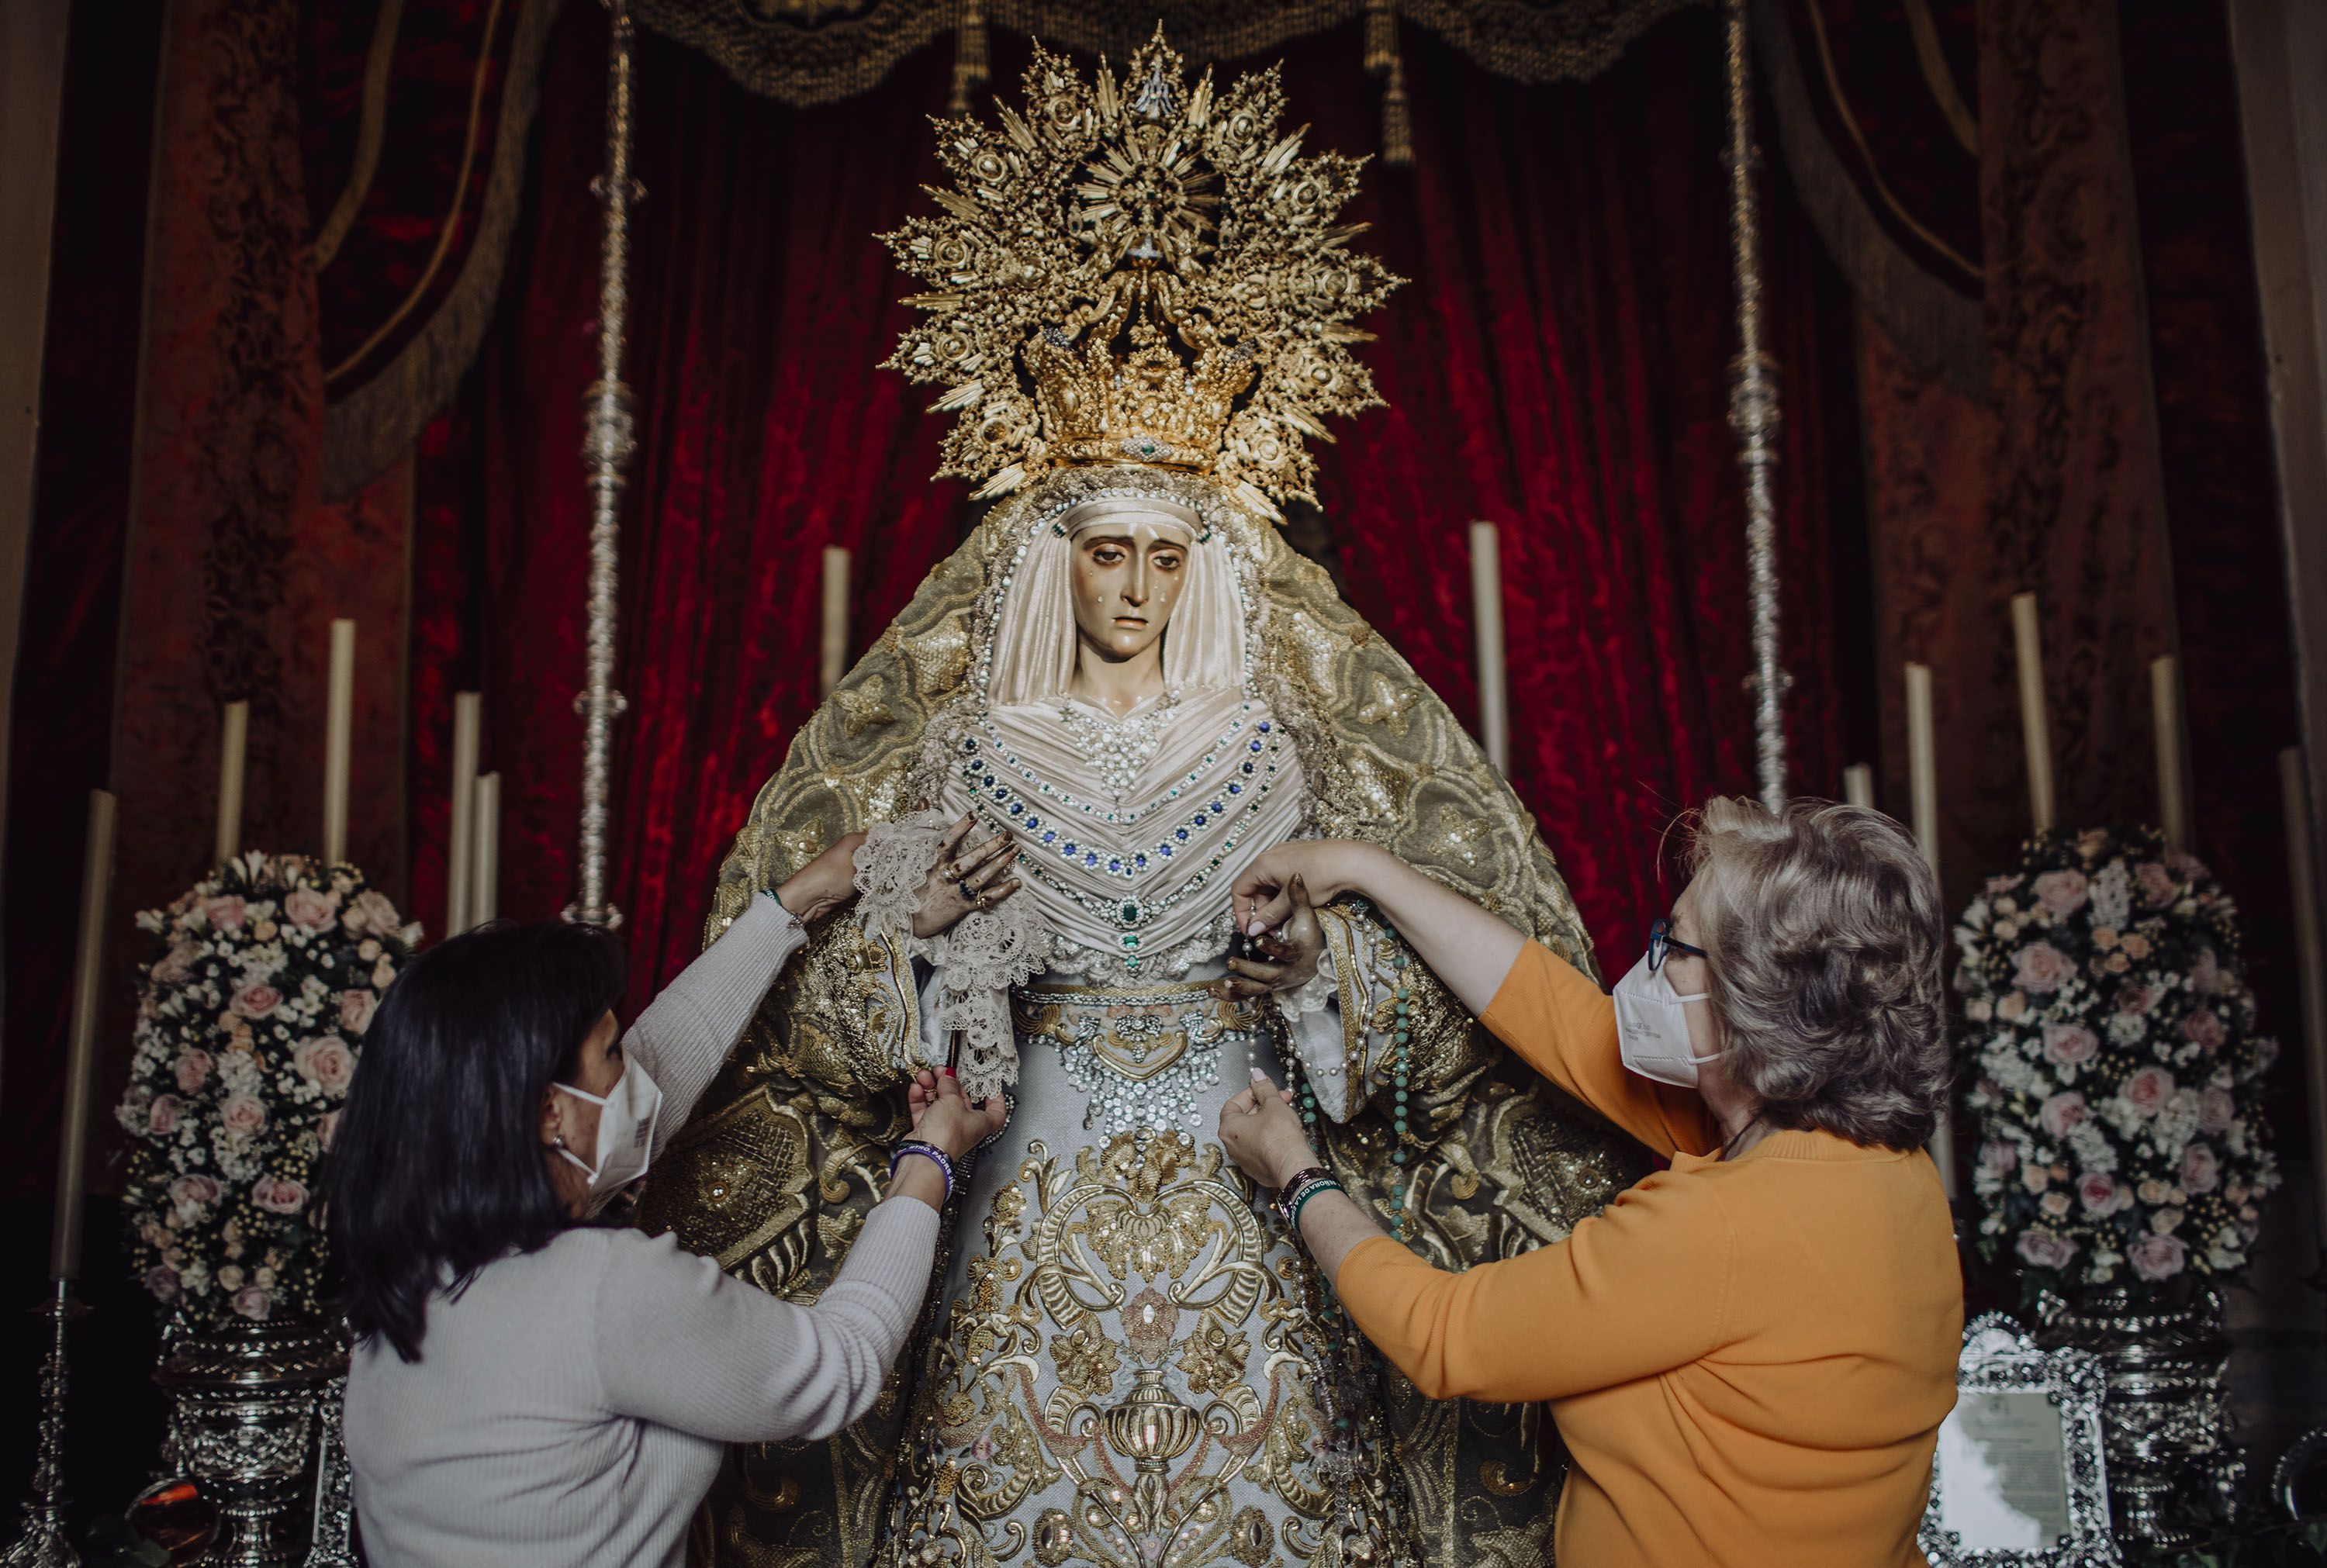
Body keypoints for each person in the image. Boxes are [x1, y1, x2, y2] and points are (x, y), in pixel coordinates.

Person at [645, 33, 1641, 1566]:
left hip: (1240, 1155)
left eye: (1167, 555)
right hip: (1028, 1170)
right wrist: (918, 941)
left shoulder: (1268, 743)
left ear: (1209, 565)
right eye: (1107, 551)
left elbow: (1387, 1014)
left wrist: (1315, 979)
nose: (1135, 587)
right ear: (1056, 555)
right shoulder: (976, 740)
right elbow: (883, 1027)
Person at [1216, 797, 1965, 1568]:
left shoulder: (1728, 1225)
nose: (1647, 964)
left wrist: (1294, 1172)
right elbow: (1565, 1024)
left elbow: (1446, 1337)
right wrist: (1365, 870)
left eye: (1674, 944)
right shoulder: (1888, 1174)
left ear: (1748, 999)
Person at [325, 828, 1011, 1568]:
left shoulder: (409, 1275)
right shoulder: (598, 1288)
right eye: (611, 1052)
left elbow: (657, 1074)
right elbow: (836, 1370)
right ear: (550, 1113)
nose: (634, 1071)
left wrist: (793, 902)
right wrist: (927, 1160)